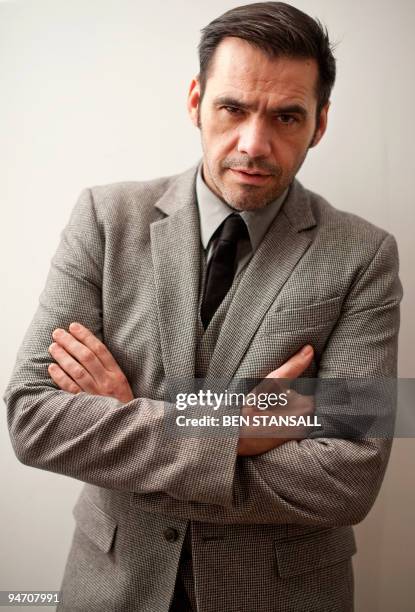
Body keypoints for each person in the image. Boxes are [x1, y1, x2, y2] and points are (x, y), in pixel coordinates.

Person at [4, 2, 402, 611]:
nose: (254, 143)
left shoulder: (364, 255)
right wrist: (236, 425)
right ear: (196, 101)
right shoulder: (105, 220)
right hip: (112, 588)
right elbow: (35, 419)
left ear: (319, 123)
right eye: (233, 108)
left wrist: (137, 415)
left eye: (287, 117)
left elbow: (347, 478)